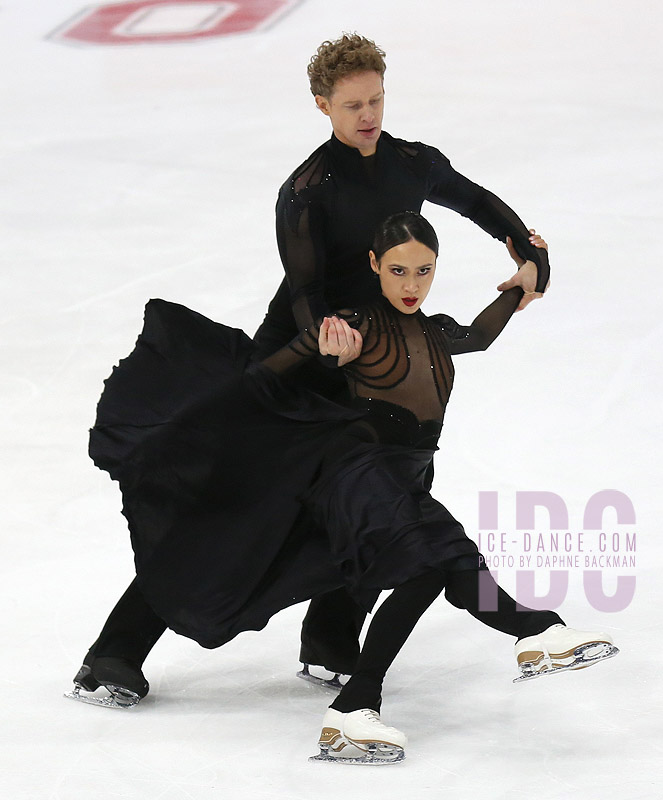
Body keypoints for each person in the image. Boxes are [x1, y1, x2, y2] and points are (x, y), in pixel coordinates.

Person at [68, 32, 555, 702]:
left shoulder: (412, 162)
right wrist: (326, 345)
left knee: (392, 487)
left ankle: (330, 634)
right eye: (352, 103)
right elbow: (305, 293)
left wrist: (526, 252)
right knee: (232, 504)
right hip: (301, 358)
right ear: (322, 104)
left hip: (374, 354)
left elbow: (478, 203)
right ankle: (114, 650)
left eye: (376, 99)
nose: (368, 115)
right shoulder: (306, 189)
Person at [69, 212, 617, 764]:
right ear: (375, 265)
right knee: (428, 563)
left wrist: (521, 285)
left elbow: (477, 335)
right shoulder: (356, 323)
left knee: (452, 562)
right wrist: (323, 350)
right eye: (399, 270)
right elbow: (264, 378)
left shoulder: (434, 329)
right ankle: (381, 697)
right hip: (357, 470)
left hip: (403, 475)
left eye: (424, 271)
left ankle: (529, 633)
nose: (411, 285)